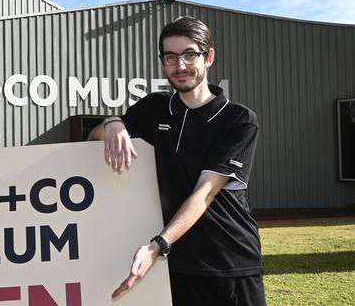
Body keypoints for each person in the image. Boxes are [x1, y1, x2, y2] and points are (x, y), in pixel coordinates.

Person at [89, 16, 266, 305]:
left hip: (230, 262)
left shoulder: (239, 120)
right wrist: (112, 122)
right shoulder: (154, 109)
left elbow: (205, 192)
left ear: (208, 57)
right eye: (170, 57)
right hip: (178, 265)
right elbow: (94, 140)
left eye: (189, 55)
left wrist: (158, 245)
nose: (180, 66)